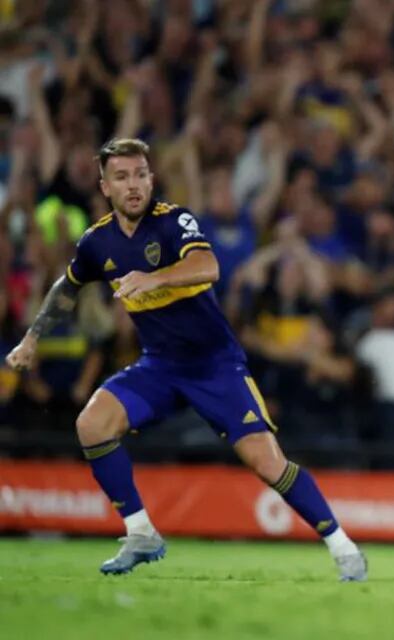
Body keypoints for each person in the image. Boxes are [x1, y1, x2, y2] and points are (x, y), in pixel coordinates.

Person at [4, 138, 367, 581]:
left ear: (151, 179)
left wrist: (151, 277)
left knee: (266, 463)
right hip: (160, 365)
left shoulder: (174, 221)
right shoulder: (98, 241)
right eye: (122, 177)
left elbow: (208, 266)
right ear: (104, 187)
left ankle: (342, 545)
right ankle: (141, 533)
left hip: (215, 365)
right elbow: (68, 285)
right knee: (91, 424)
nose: (133, 184)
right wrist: (32, 337)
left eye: (140, 174)